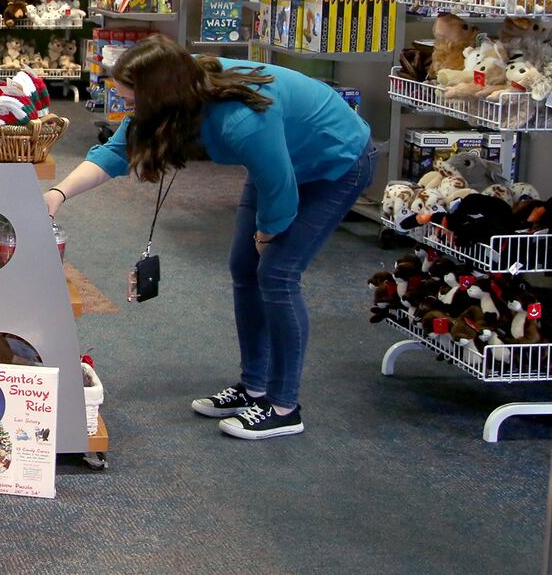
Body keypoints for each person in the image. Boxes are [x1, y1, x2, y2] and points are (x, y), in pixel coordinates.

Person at [44, 36, 375, 440]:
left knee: (277, 274)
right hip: (280, 163)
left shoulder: (239, 121)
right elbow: (116, 152)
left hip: (335, 162)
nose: (127, 109)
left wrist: (268, 234)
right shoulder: (174, 87)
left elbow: (281, 191)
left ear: (158, 95)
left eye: (132, 101)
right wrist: (57, 194)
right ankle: (253, 387)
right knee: (243, 267)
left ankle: (284, 406)